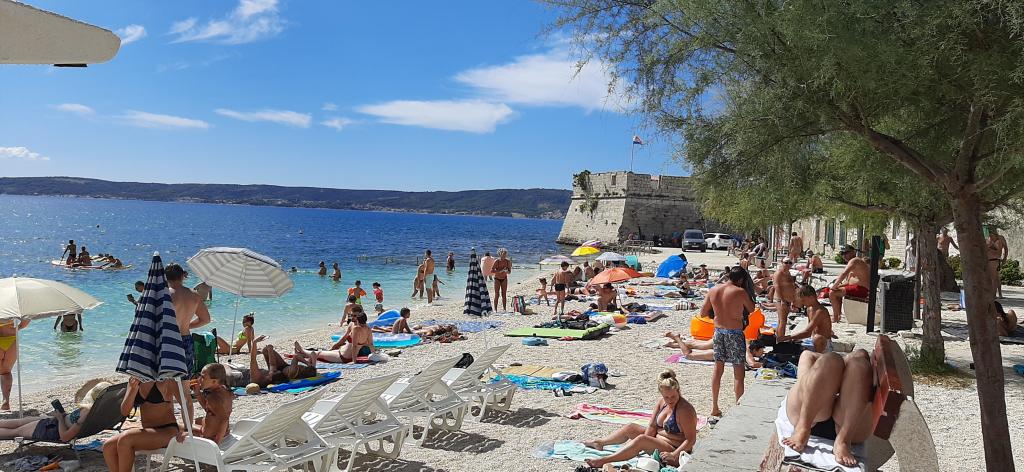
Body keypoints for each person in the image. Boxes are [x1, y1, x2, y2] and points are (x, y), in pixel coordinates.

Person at [778, 349, 875, 467]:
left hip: (807, 413)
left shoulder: (814, 358)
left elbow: (807, 356)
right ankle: (843, 440)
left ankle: (803, 427)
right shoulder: (856, 364)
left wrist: (839, 367)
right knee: (857, 363)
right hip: (851, 425)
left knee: (833, 359)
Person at [583, 370, 697, 468]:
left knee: (641, 440)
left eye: (673, 396)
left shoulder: (685, 410)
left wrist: (673, 455)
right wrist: (644, 444)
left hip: (675, 450)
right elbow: (652, 426)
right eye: (666, 397)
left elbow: (691, 440)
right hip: (659, 439)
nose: (670, 400)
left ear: (678, 391)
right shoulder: (662, 403)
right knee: (630, 428)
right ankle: (600, 442)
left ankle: (605, 460)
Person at [703, 267, 755, 417]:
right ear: (741, 279)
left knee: (718, 369)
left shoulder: (713, 290)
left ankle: (714, 406)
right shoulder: (740, 292)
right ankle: (738, 407)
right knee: (738, 372)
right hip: (735, 333)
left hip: (719, 332)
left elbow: (703, 312)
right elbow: (751, 309)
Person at [103, 378, 182, 472]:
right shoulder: (135, 380)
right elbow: (124, 411)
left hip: (168, 430)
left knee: (126, 439)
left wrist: (187, 430)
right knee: (108, 446)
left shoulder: (166, 379)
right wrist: (133, 389)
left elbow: (187, 403)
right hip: (148, 432)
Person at [0, 381, 109, 441]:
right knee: (23, 421)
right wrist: (63, 416)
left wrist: (60, 419)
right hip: (55, 423)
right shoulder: (103, 411)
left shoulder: (85, 416)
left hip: (52, 429)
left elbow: (65, 437)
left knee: (16, 431)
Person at [166, 264, 212, 374]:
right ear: (183, 276)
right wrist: (187, 325)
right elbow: (205, 319)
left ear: (165, 277)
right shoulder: (194, 295)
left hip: (168, 339)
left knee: (166, 375)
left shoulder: (165, 295)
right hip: (185, 338)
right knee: (185, 375)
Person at [179, 363, 232, 444]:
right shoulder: (224, 390)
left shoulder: (213, 397)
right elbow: (210, 408)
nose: (199, 379)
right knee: (198, 420)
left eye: (203, 377)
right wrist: (197, 393)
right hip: (225, 433)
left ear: (214, 381)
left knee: (179, 426)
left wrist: (217, 442)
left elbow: (224, 419)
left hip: (210, 437)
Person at [778, 284, 834, 352]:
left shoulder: (820, 311)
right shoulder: (809, 309)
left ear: (811, 297)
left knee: (818, 338)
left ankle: (818, 355)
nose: (802, 303)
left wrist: (787, 337)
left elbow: (807, 332)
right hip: (812, 339)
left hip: (823, 344)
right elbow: (810, 332)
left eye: (804, 300)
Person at [665, 333, 765, 368]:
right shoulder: (747, 350)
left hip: (722, 342)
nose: (762, 353)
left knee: (696, 344)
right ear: (755, 349)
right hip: (719, 351)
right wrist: (765, 364)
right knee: (689, 355)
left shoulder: (748, 341)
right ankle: (677, 338)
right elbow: (752, 364)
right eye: (761, 351)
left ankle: (673, 344)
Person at [309, 311, 375, 363]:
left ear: (358, 320)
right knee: (322, 352)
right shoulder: (368, 329)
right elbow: (371, 344)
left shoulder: (356, 329)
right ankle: (303, 352)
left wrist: (354, 361)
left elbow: (354, 346)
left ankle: (303, 352)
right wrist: (374, 356)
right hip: (342, 352)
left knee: (318, 353)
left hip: (343, 357)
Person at [248, 339, 317, 387]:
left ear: (305, 370)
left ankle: (302, 352)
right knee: (265, 351)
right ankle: (303, 353)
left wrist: (307, 363)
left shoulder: (294, 370)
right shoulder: (298, 373)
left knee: (266, 351)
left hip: (280, 369)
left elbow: (296, 356)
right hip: (281, 370)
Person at [828, 246, 870, 323]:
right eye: (842, 254)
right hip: (857, 288)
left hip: (862, 289)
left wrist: (834, 287)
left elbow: (843, 274)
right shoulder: (854, 263)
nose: (844, 256)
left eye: (846, 253)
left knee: (832, 293)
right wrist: (838, 286)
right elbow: (848, 281)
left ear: (853, 252)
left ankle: (835, 317)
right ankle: (838, 314)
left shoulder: (855, 260)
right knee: (835, 291)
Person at [0, 318, 29, 410]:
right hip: (12, 339)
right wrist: (16, 327)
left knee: (4, 372)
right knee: (6, 372)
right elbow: (26, 320)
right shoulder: (12, 310)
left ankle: (5, 401)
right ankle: (6, 401)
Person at [769, 258, 797, 339]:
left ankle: (779, 338)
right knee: (783, 321)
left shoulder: (788, 273)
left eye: (790, 263)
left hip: (787, 300)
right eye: (786, 262)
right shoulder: (779, 273)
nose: (788, 264)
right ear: (782, 262)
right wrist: (783, 300)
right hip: (780, 300)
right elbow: (777, 287)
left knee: (781, 321)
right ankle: (781, 339)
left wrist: (793, 300)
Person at [987, 227, 1008, 299]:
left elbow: (1005, 248)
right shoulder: (988, 239)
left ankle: (994, 295)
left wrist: (1005, 258)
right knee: (996, 278)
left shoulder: (1000, 238)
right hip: (990, 260)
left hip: (995, 259)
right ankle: (999, 294)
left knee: (994, 278)